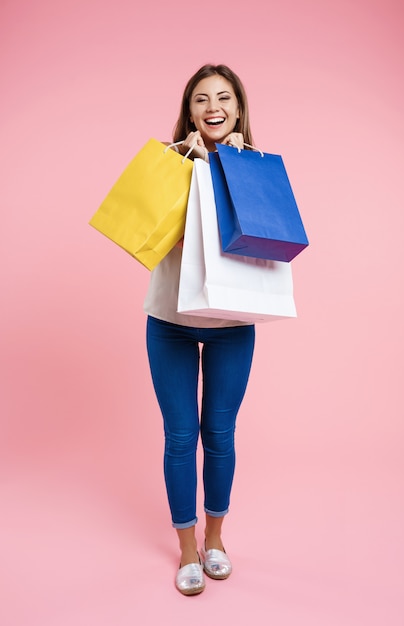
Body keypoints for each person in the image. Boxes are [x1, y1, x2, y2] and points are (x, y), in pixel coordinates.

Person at [144, 64, 256, 596]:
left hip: (231, 323)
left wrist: (230, 163)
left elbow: (260, 241)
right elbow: (152, 234)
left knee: (220, 434)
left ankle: (216, 539)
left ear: (238, 109)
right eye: (201, 100)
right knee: (180, 436)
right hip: (170, 322)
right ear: (189, 111)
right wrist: (189, 162)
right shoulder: (170, 163)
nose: (213, 107)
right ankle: (187, 548)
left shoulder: (254, 166)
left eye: (224, 98)